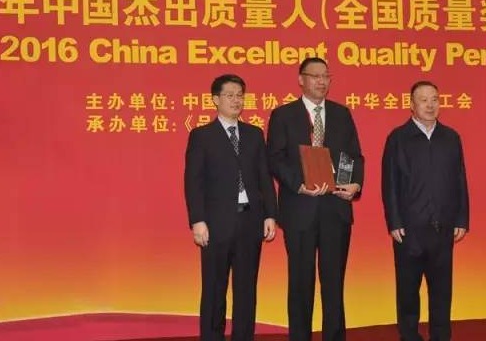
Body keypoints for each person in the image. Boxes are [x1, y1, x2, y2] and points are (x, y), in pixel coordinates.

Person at [267, 57, 364, 341]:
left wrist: (354, 183)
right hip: (300, 209)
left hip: (335, 208)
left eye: (326, 76)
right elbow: (275, 158)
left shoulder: (341, 114)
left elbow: (353, 155)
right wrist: (298, 185)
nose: (322, 81)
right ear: (301, 80)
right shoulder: (283, 115)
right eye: (315, 76)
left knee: (334, 283)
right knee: (301, 283)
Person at [184, 74, 277, 341]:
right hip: (216, 224)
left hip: (250, 221)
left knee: (246, 289)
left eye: (239, 96)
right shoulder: (202, 136)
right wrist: (198, 220)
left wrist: (271, 214)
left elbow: (264, 178)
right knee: (214, 288)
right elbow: (193, 182)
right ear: (215, 99)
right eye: (229, 95)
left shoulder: (254, 134)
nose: (236, 101)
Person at [381, 80, 470, 341]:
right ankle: (409, 335)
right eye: (424, 100)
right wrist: (394, 221)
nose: (430, 105)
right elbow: (390, 183)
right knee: (408, 291)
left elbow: (460, 180)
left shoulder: (451, 137)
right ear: (411, 105)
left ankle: (440, 336)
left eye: (435, 100)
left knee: (442, 291)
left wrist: (462, 218)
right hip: (409, 230)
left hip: (443, 227)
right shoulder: (398, 138)